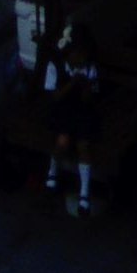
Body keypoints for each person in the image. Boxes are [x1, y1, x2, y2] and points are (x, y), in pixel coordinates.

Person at [43, 20, 102, 215]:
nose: (83, 58)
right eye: (80, 54)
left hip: (82, 111)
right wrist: (72, 84)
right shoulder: (56, 65)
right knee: (62, 140)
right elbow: (54, 97)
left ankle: (84, 192)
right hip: (62, 109)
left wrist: (85, 87)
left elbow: (89, 99)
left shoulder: (90, 68)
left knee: (84, 145)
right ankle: (52, 172)